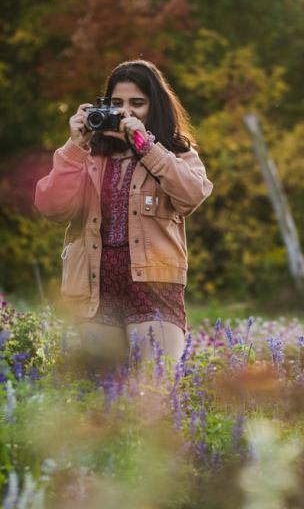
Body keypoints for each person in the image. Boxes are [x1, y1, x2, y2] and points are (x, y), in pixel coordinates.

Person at [35, 60, 213, 363]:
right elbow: (51, 207)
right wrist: (74, 146)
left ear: (154, 107)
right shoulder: (89, 156)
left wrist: (146, 146)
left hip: (154, 288)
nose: (126, 112)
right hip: (95, 290)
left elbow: (192, 195)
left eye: (137, 103)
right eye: (116, 103)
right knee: (101, 400)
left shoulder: (175, 154)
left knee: (153, 391)